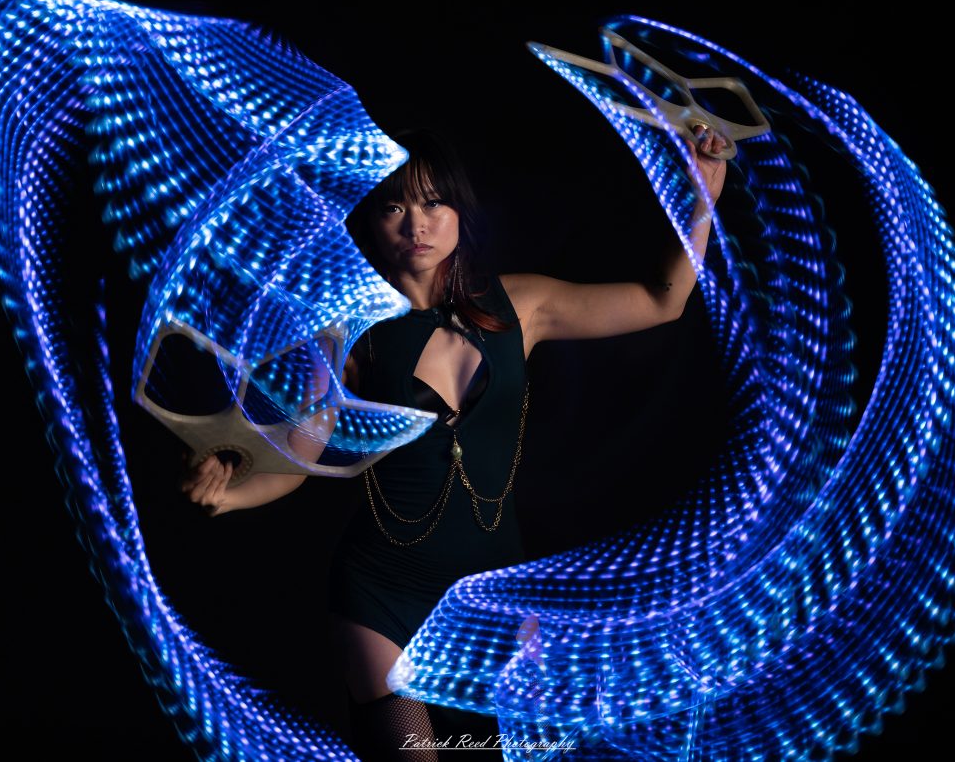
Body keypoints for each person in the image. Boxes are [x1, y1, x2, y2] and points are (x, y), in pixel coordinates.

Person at [181, 125, 728, 759]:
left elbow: (663, 299)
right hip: (380, 591)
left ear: (460, 214)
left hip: (491, 590)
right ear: (371, 221)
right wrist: (229, 497)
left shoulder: (522, 304)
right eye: (395, 205)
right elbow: (300, 463)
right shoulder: (342, 335)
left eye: (434, 203)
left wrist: (701, 192)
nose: (417, 223)